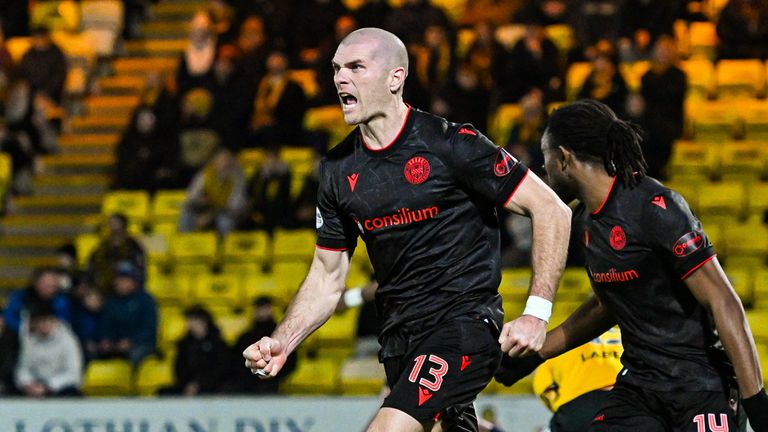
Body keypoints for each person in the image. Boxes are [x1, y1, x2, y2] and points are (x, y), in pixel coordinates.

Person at [243, 28, 572, 431]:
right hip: (399, 341)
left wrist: (536, 314)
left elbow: (553, 210)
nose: (339, 78)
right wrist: (284, 341)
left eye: (355, 67)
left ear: (395, 78)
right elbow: (327, 277)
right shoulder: (337, 170)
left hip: (462, 326)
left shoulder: (452, 144)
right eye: (336, 69)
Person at [498, 99, 768, 431]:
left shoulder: (656, 207)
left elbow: (723, 301)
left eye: (547, 158)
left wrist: (757, 404)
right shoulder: (586, 224)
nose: (545, 170)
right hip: (641, 387)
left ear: (564, 158)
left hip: (702, 384)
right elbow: (605, 305)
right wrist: (537, 355)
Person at [528, 328, 624, 432]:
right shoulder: (629, 335)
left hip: (580, 407)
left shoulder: (559, 342)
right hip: (627, 401)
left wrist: (562, 409)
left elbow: (542, 386)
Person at [15, 303, 83, 397]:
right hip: (35, 387)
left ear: (55, 321)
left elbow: (73, 374)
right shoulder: (29, 341)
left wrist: (48, 386)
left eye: (47, 321)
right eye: (40, 321)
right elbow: (23, 369)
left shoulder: (68, 340)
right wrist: (28, 384)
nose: (44, 324)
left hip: (61, 388)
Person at [160, 305, 230, 396]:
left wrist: (199, 384)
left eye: (193, 320)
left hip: (213, 387)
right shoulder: (184, 344)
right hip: (187, 386)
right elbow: (179, 368)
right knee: (163, 393)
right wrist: (187, 385)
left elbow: (220, 370)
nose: (189, 324)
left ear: (203, 321)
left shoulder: (218, 344)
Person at [98, 261, 157, 367]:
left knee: (136, 355)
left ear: (134, 282)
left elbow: (149, 329)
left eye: (125, 280)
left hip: (141, 344)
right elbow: (105, 325)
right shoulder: (110, 302)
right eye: (119, 279)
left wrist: (132, 341)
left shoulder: (146, 300)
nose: (121, 283)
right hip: (116, 346)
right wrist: (106, 339)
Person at [179, 148, 248, 237]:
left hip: (229, 213)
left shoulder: (238, 178)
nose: (224, 164)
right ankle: (185, 242)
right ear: (215, 161)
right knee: (186, 210)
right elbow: (191, 195)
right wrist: (199, 200)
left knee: (225, 223)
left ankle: (223, 247)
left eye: (227, 160)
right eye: (221, 160)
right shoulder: (206, 174)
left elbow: (233, 206)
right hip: (210, 208)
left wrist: (209, 217)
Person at [86, 213, 146, 296]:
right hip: (106, 289)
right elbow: (92, 264)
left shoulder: (133, 245)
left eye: (115, 222)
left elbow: (140, 268)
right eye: (110, 223)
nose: (112, 225)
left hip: (128, 288)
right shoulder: (103, 246)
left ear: (123, 225)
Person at [4, 267, 71, 334]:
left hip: (55, 338)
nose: (48, 288)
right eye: (45, 284)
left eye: (52, 285)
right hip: (24, 336)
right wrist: (30, 326)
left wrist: (55, 324)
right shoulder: (20, 297)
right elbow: (8, 318)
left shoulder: (62, 300)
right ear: (35, 283)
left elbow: (67, 320)